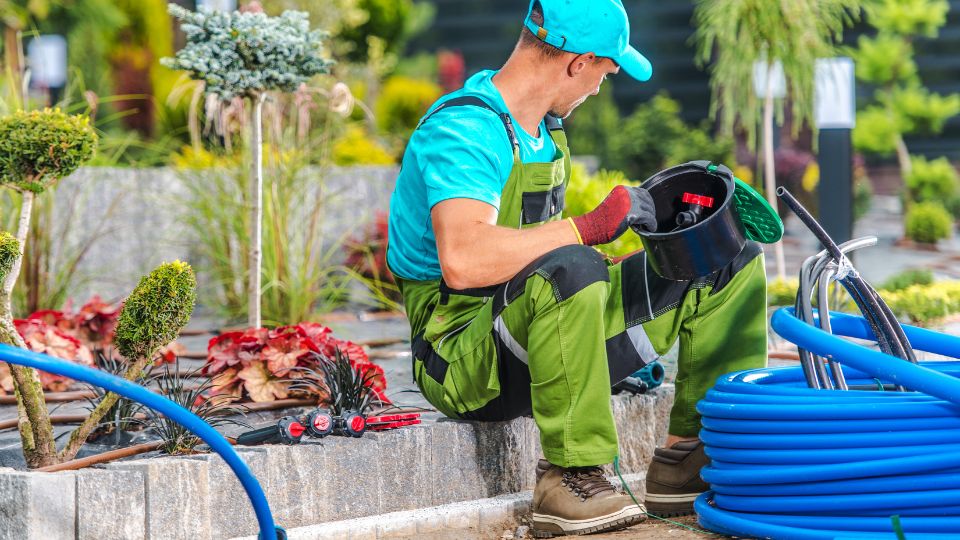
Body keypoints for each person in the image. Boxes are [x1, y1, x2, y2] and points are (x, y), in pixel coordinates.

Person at [386, 0, 768, 535]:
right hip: (460, 357)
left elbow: (545, 261)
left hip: (527, 332)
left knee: (720, 259)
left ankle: (689, 459)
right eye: (604, 75)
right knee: (574, 266)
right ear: (577, 63)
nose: (596, 90)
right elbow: (465, 261)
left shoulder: (546, 133)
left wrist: (629, 268)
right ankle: (569, 477)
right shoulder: (466, 130)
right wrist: (589, 229)